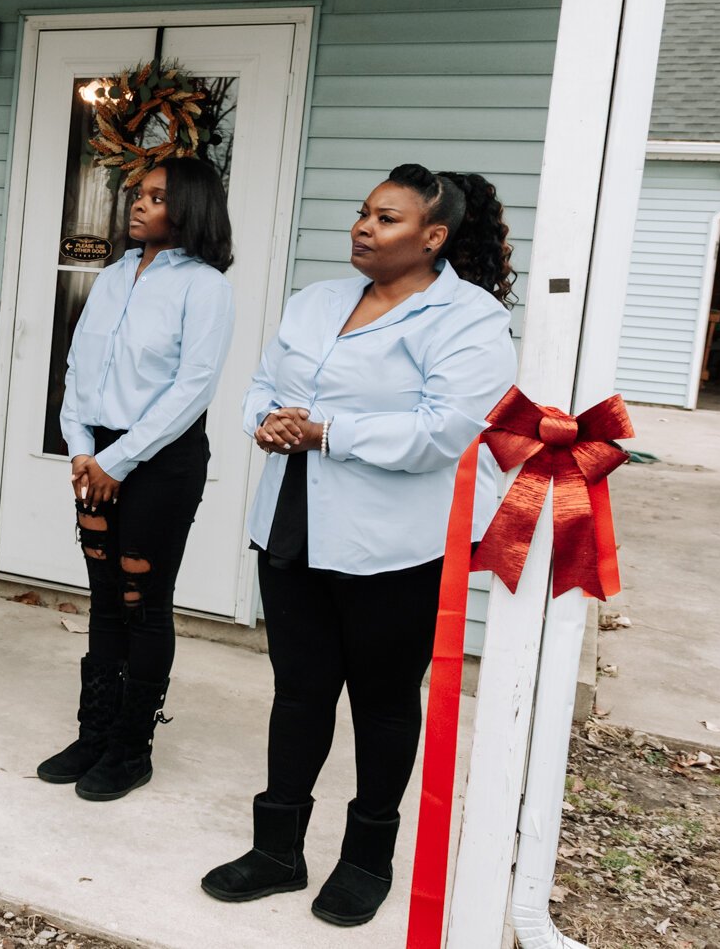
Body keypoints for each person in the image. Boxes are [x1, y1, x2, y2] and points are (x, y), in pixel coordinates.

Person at [199, 164, 518, 926]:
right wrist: (267, 420)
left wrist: (327, 431)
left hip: (396, 543)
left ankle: (367, 859)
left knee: (380, 702)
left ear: (432, 237)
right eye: (363, 213)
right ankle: (277, 850)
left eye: (387, 218)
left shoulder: (468, 318)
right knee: (299, 690)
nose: (364, 227)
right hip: (294, 522)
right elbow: (262, 384)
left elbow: (449, 427)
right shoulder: (317, 301)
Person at [37, 155, 235, 801]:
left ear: (190, 208)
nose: (138, 205)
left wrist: (118, 462)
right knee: (101, 599)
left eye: (156, 196)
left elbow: (193, 388)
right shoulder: (116, 273)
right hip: (97, 453)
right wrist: (82, 449)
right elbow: (78, 365)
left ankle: (131, 748)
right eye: (138, 194)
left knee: (140, 602)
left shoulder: (205, 286)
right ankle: (94, 732)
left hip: (162, 461)